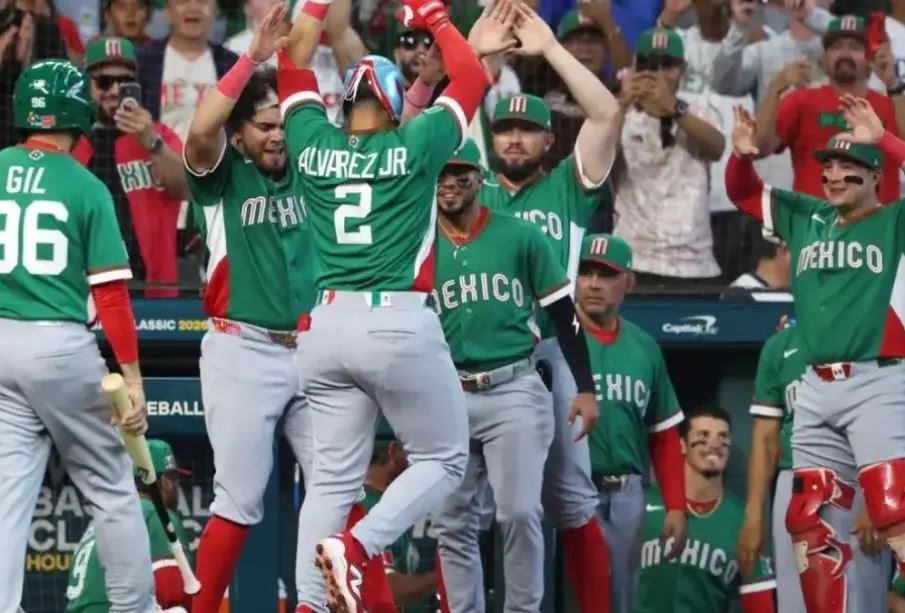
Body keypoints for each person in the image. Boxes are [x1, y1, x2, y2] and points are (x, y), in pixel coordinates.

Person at [276, 0, 503, 609]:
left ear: (345, 105)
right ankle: (359, 546)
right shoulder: (420, 143)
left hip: (323, 328)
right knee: (445, 458)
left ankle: (309, 603)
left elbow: (292, 56)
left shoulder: (311, 141)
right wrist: (434, 14)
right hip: (396, 321)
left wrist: (317, 5)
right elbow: (474, 76)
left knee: (328, 479)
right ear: (395, 102)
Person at [462, 5, 618, 611]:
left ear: (549, 141)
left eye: (527, 131)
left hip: (551, 348)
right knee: (467, 505)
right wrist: (478, 59)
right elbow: (438, 120)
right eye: (504, 130)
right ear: (493, 139)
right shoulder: (470, 184)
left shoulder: (566, 189)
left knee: (573, 498)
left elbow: (605, 112)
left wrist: (551, 49)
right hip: (473, 347)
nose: (515, 139)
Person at [727, 100, 905, 613]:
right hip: (815, 385)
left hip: (879, 377)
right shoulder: (805, 216)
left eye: (848, 167)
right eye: (826, 165)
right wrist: (741, 157)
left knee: (893, 509)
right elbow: (742, 192)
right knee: (811, 522)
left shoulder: (894, 223)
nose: (832, 173)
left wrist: (886, 139)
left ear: (875, 177)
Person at [0, 59, 153, 613]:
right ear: (76, 111)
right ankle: (134, 608)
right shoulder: (86, 185)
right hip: (59, 345)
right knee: (112, 484)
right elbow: (109, 296)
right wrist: (132, 378)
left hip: (2, 346)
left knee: (7, 493)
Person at [430, 139, 597, 613]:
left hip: (514, 386)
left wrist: (585, 387)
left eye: (459, 173)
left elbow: (563, 312)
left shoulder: (519, 235)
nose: (448, 183)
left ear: (479, 180)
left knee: (520, 512)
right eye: (440, 174)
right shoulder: (417, 241)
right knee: (452, 521)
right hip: (447, 392)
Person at [738, 314, 891, 613]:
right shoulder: (780, 347)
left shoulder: (877, 341)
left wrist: (878, 497)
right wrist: (753, 516)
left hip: (858, 480)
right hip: (795, 482)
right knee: (797, 604)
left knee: (863, 602)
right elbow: (765, 438)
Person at [572, 233, 687, 613]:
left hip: (625, 493)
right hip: (567, 489)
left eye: (606, 275)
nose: (593, 283)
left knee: (620, 602)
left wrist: (675, 506)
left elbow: (665, 434)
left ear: (629, 283)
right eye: (586, 272)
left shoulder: (644, 347)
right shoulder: (550, 338)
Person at [71, 36, 186, 298]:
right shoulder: (70, 143)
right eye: (104, 82)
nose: (114, 90)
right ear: (85, 86)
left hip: (152, 292)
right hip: (82, 294)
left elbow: (186, 188)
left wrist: (150, 142)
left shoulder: (159, 135)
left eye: (125, 82)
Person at [633, 406, 777, 613]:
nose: (714, 444)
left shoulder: (742, 522)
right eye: (703, 436)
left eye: (722, 437)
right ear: (682, 445)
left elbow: (760, 600)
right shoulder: (643, 505)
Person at [614, 27, 725, 284]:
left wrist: (672, 108)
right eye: (649, 65)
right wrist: (620, 105)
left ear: (683, 69)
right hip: (634, 259)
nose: (658, 75)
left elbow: (717, 147)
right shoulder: (619, 113)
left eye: (667, 66)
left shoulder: (699, 109)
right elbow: (600, 167)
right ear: (633, 67)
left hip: (693, 264)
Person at [755, 15, 902, 202]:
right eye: (837, 46)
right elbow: (758, 147)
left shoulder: (890, 104)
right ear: (825, 57)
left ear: (870, 56)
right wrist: (776, 87)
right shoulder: (802, 101)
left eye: (855, 47)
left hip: (879, 227)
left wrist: (892, 82)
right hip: (816, 226)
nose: (845, 53)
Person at [66, 439, 193, 613]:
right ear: (165, 481)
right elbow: (170, 591)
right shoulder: (157, 514)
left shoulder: (105, 516)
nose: (177, 487)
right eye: (175, 479)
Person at [351, 440, 438, 613]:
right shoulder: (368, 509)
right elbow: (385, 588)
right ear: (394, 452)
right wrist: (445, 578)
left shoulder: (384, 503)